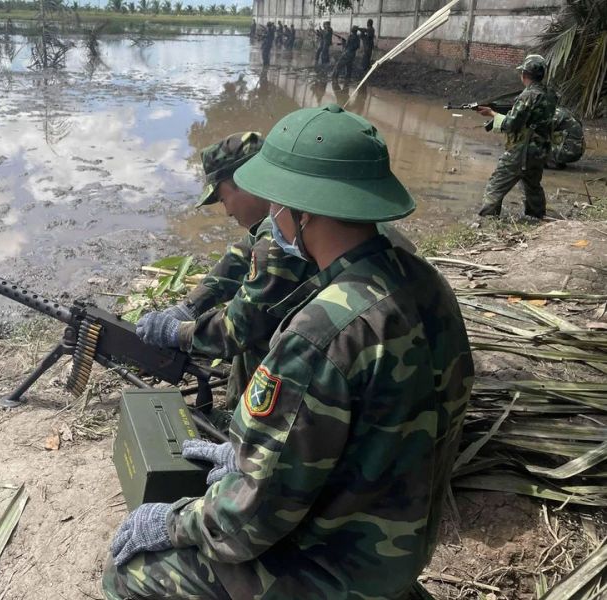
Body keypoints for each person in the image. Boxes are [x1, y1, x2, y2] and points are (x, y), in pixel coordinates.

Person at [104, 103, 474, 600]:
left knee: (128, 573)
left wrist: (172, 522)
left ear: (305, 209)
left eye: (278, 200)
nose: (271, 214)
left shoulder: (319, 335)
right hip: (392, 553)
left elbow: (247, 525)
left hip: (333, 571)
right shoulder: (424, 282)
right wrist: (247, 455)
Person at [135, 132, 313, 407]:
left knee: (254, 340)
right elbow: (241, 255)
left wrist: (177, 332)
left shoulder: (277, 239)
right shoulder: (286, 207)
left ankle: (244, 418)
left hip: (313, 353)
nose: (227, 211)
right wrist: (190, 306)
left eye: (222, 198)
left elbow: (237, 329)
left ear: (244, 181)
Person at [476, 54, 557, 220]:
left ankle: (488, 218)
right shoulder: (550, 94)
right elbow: (532, 117)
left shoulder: (528, 96)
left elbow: (511, 124)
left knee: (496, 184)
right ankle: (537, 216)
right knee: (532, 184)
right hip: (540, 149)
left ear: (524, 74)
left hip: (522, 150)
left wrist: (491, 113)